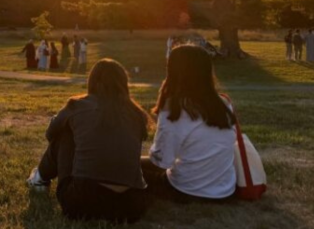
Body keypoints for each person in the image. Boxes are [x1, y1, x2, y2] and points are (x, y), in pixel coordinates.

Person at [26, 59, 151, 224]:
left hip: (82, 202)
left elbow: (51, 134)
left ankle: (40, 179)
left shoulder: (77, 105)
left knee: (65, 133)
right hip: (131, 206)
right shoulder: (137, 114)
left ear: (92, 81)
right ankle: (41, 177)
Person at [141, 45, 236, 202]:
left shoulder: (174, 109)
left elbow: (161, 162)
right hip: (226, 190)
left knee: (129, 167)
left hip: (187, 191)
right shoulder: (224, 103)